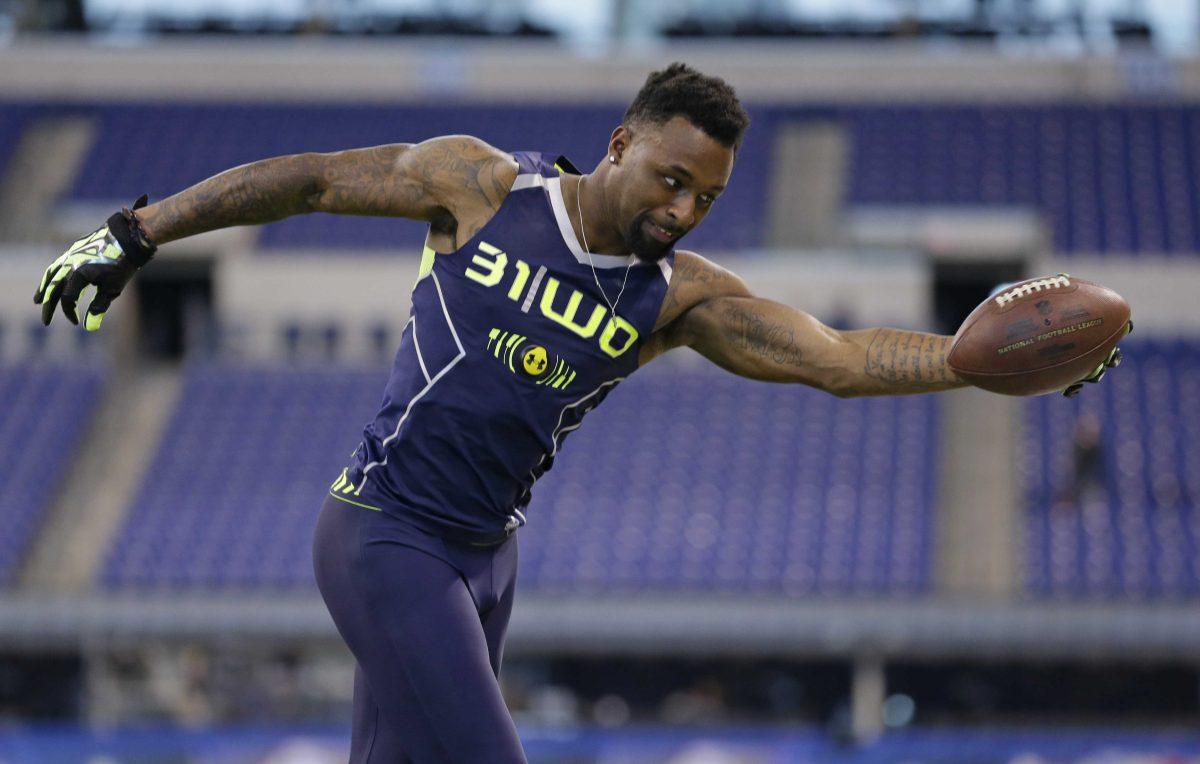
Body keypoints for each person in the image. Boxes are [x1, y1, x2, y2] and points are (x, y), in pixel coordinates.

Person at [33, 63, 1124, 762]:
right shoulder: (480, 187)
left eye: (705, 197)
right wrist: (141, 230)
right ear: (620, 143)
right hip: (384, 536)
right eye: (670, 177)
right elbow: (313, 179)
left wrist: (981, 366)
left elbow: (838, 359)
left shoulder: (675, 296)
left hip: (487, 562)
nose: (681, 206)